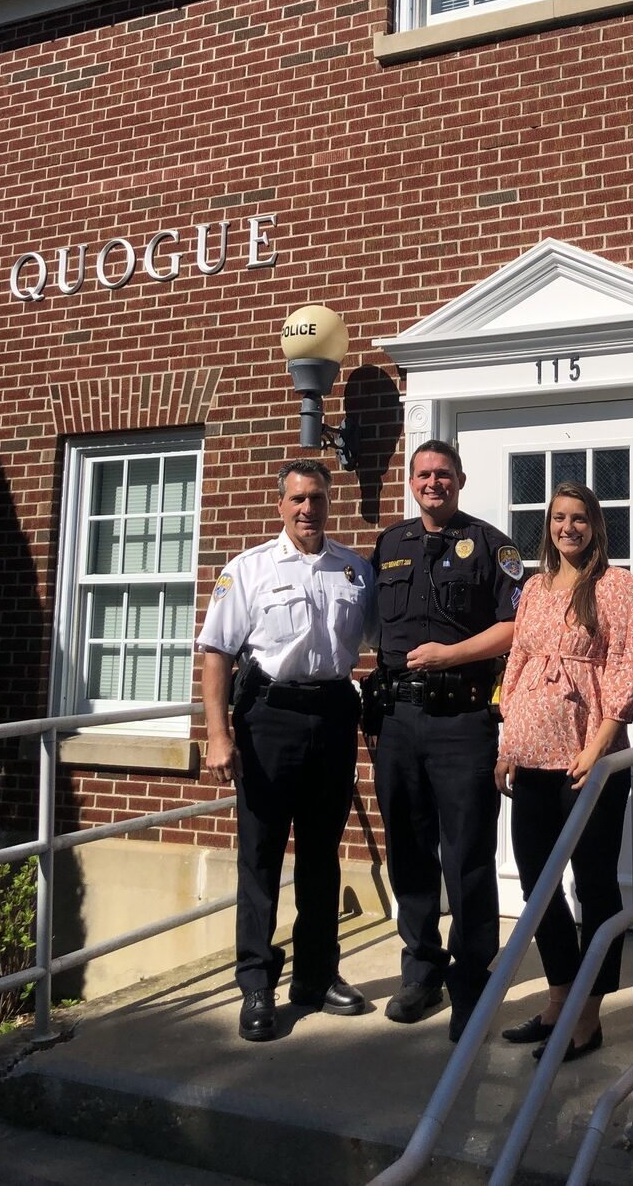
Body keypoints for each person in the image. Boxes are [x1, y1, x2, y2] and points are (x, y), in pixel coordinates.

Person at [197, 459, 377, 1042]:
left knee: (322, 853)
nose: (308, 509)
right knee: (262, 854)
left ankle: (317, 975)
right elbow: (218, 653)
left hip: (331, 716)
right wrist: (218, 734)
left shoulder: (353, 570)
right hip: (268, 719)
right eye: (297, 499)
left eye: (317, 499)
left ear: (329, 503)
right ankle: (255, 983)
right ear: (281, 505)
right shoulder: (248, 570)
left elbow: (381, 636)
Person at [367, 439, 518, 1042]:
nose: (434, 483)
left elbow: (514, 627)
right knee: (408, 849)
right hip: (399, 724)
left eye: (445, 475)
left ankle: (471, 984)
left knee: (468, 857)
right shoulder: (388, 545)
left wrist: (451, 653)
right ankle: (421, 970)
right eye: (424, 474)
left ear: (461, 480)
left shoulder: (490, 545)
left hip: (463, 722)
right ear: (412, 481)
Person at [495, 482, 633, 1062]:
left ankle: (588, 1016)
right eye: (559, 518)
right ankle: (559, 997)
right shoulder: (533, 588)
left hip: (586, 758)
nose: (569, 528)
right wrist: (507, 742)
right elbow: (518, 663)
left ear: (595, 525)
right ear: (549, 526)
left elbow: (632, 660)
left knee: (594, 882)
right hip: (531, 755)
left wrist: (604, 737)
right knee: (537, 883)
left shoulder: (614, 586)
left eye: (579, 518)